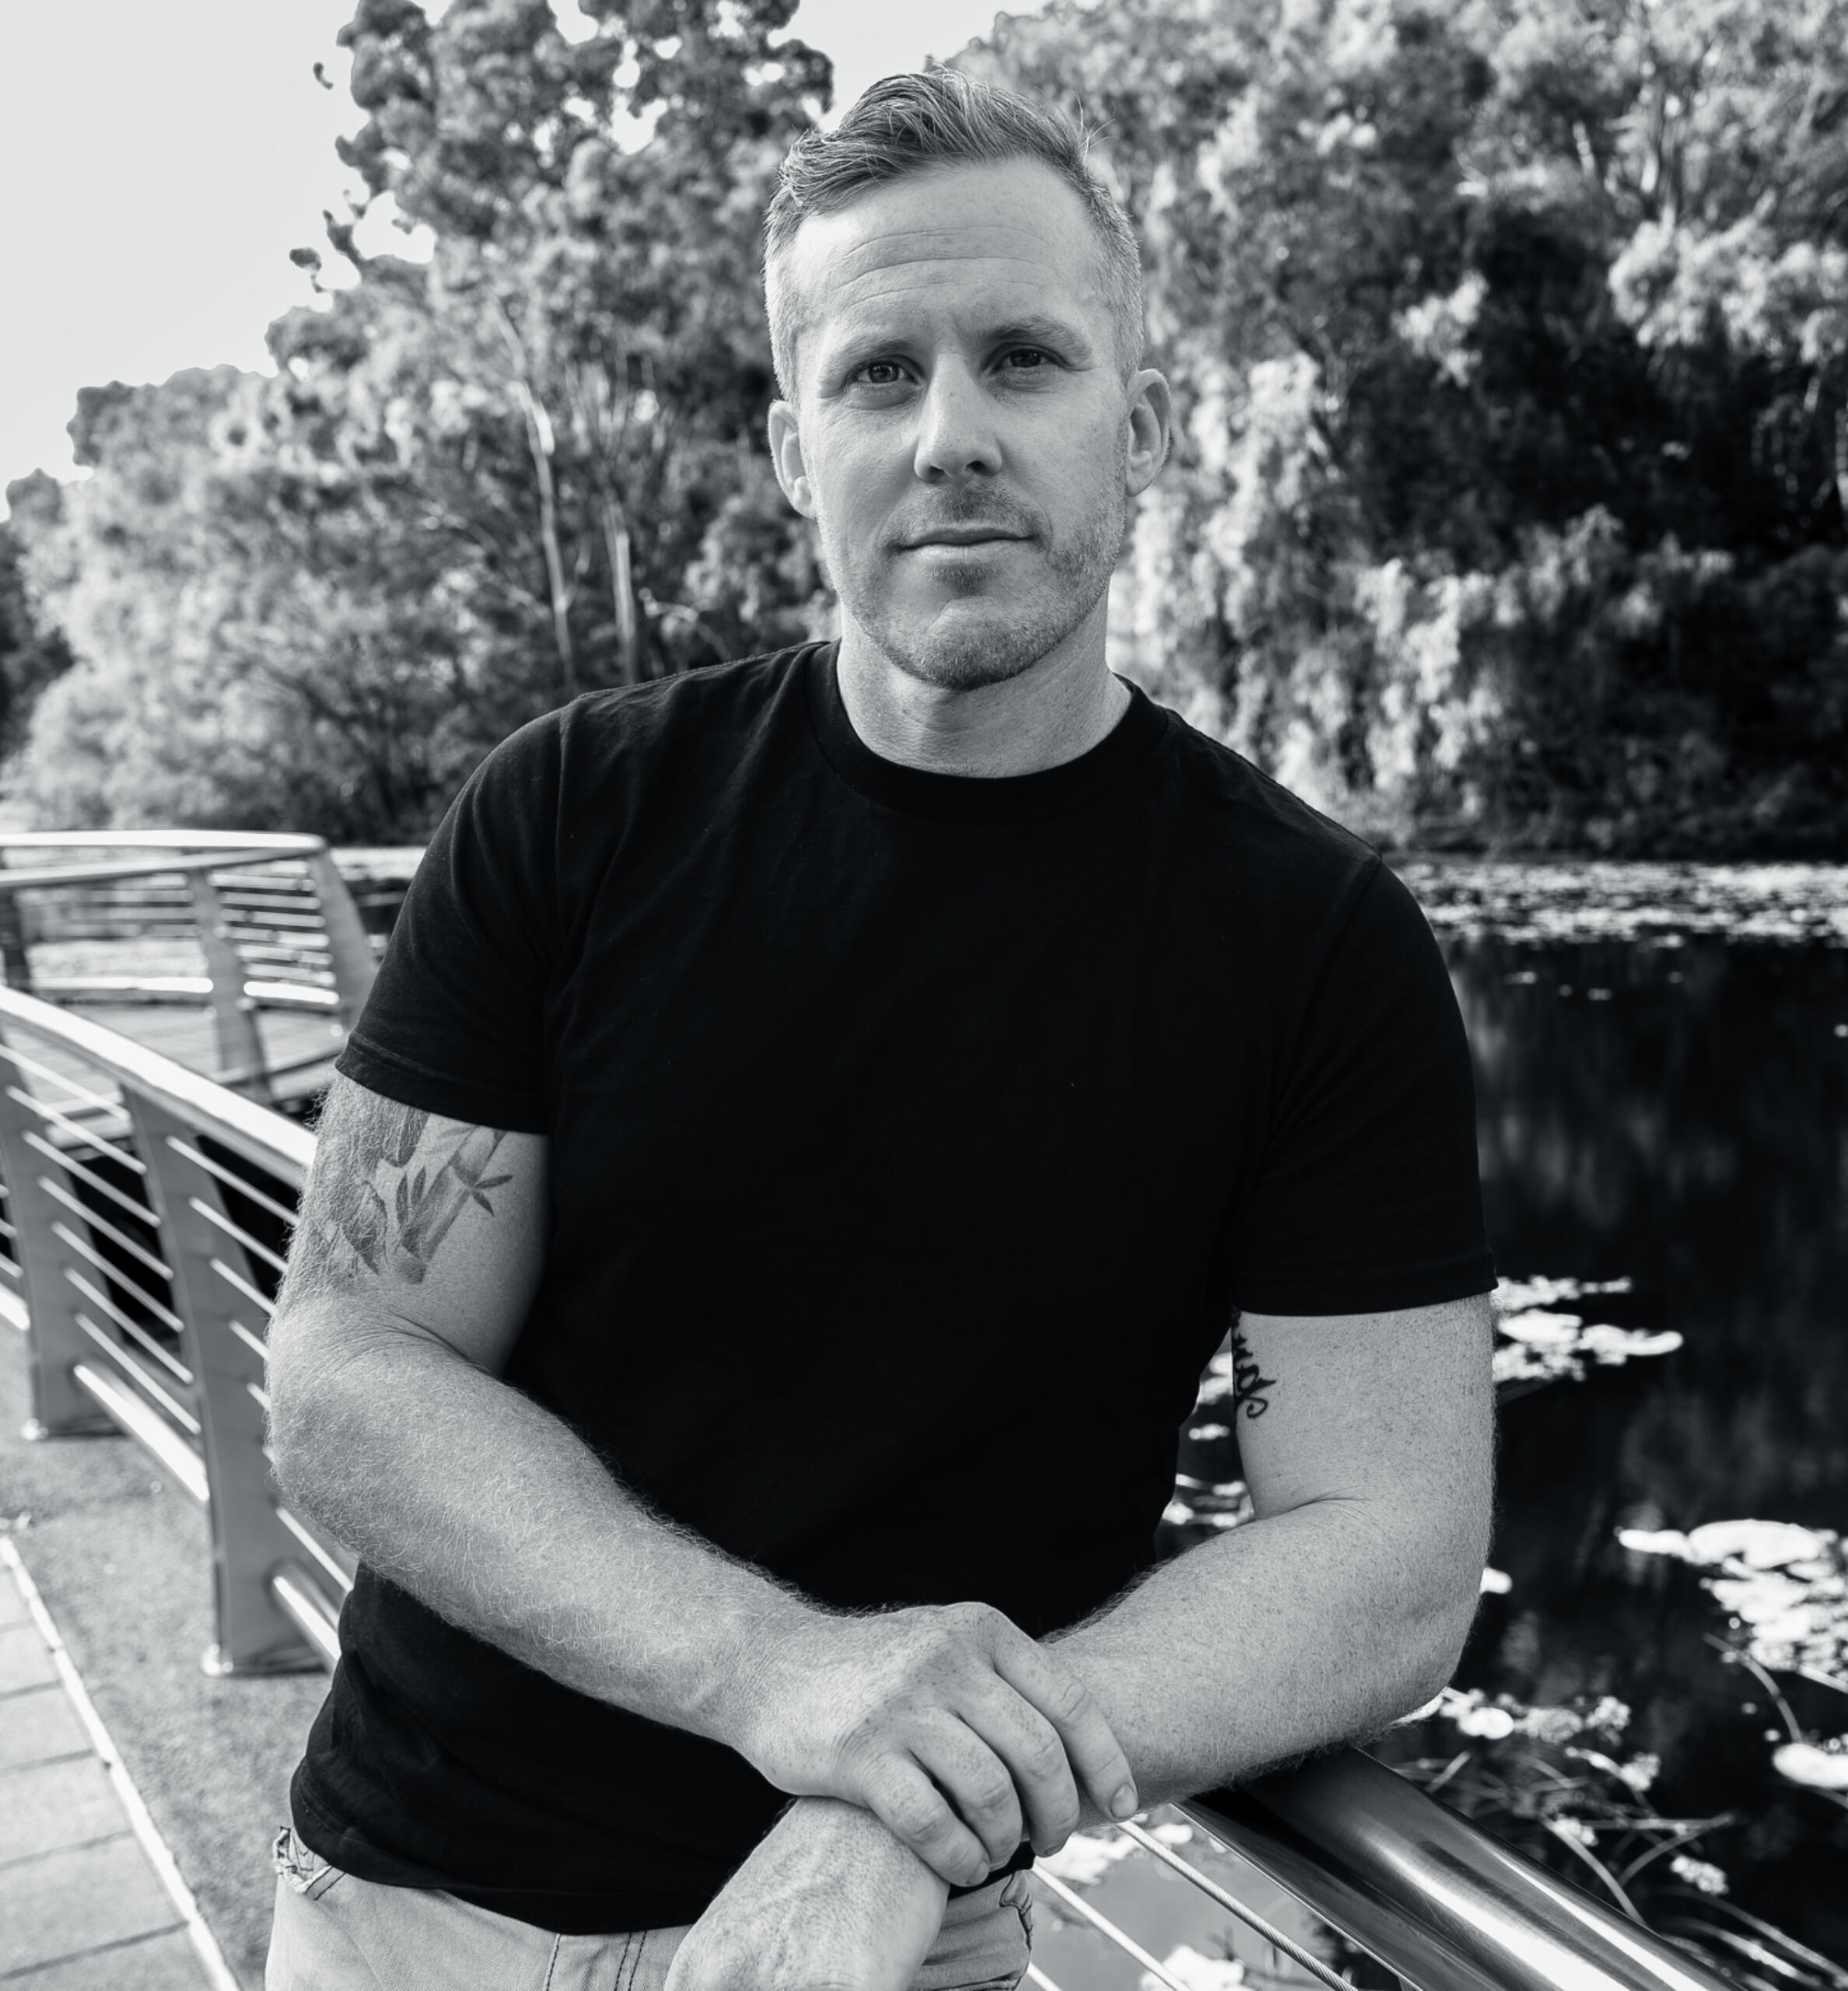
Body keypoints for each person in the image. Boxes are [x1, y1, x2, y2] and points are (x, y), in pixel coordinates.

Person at [263, 67, 1496, 1991]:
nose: (950, 438)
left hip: (904, 1931)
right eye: (877, 375)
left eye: (1025, 357)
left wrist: (885, 1803)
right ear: (792, 448)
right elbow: (349, 1368)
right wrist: (784, 1673)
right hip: (415, 1903)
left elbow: (1391, 1548)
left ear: (1139, 425)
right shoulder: (570, 814)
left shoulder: (1314, 942)